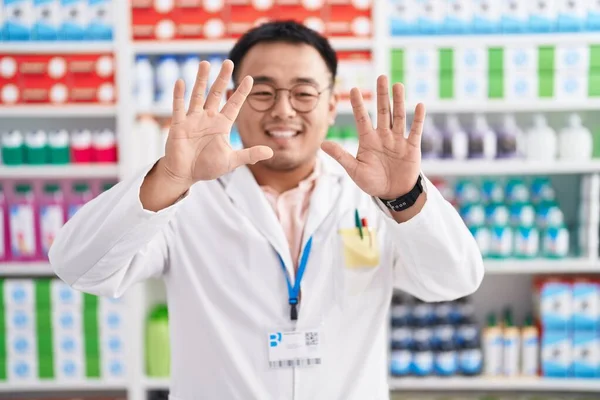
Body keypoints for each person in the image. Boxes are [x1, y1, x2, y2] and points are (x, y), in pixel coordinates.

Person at [49, 21, 484, 400]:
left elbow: (453, 280)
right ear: (232, 105)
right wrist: (170, 176)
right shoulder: (187, 199)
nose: (282, 109)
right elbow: (79, 266)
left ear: (332, 105)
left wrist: (405, 196)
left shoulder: (370, 198)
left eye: (304, 92)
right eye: (261, 92)